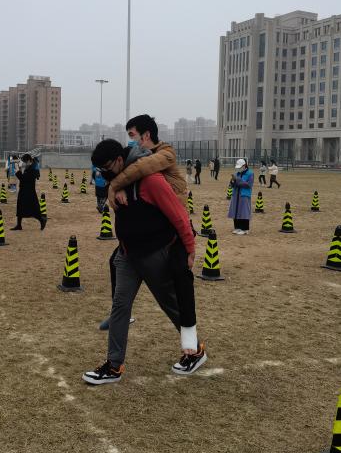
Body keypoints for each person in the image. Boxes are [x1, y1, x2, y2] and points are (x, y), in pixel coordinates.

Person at [83, 139, 205, 385]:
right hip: (128, 255)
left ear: (119, 160)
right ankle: (114, 365)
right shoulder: (118, 181)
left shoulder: (151, 181)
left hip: (155, 255)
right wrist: (116, 189)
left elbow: (179, 215)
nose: (105, 173)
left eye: (107, 167)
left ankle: (195, 350)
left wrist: (190, 249)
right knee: (120, 305)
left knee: (171, 305)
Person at [10, 154, 46, 231]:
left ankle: (42, 220)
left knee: (33, 209)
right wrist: (19, 169)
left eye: (25, 162)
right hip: (23, 190)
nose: (24, 163)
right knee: (20, 207)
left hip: (29, 192)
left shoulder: (32, 169)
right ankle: (19, 225)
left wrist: (17, 171)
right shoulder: (29, 167)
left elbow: (23, 179)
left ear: (29, 161)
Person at [227, 158, 254, 235]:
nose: (238, 169)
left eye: (240, 167)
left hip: (244, 195)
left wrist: (237, 180)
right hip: (235, 194)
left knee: (244, 211)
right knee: (235, 211)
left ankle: (245, 229)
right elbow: (232, 185)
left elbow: (248, 185)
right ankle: (237, 227)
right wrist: (232, 181)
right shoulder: (237, 174)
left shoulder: (250, 174)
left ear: (244, 166)